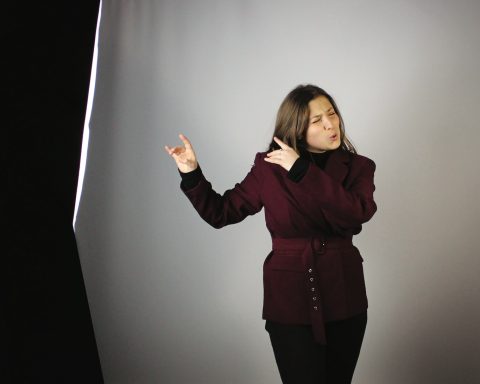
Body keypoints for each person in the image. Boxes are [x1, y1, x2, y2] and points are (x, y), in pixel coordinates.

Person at [165, 84, 377, 384]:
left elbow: (357, 213)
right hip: (289, 299)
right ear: (297, 128)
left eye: (332, 114)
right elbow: (221, 213)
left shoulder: (359, 166)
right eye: (317, 120)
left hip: (345, 294)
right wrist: (191, 173)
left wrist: (303, 170)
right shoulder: (269, 167)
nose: (331, 124)